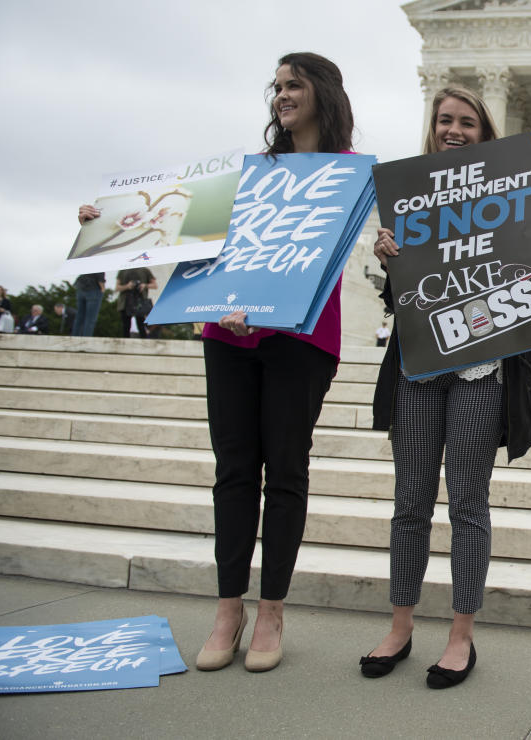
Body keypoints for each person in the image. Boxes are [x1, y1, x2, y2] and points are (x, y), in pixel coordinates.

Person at [364, 86, 531, 688]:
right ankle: (400, 625)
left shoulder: (510, 199)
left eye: (467, 124)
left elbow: (527, 273)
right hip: (420, 368)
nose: (453, 130)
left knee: (468, 504)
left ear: (485, 136)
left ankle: (461, 636)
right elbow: (401, 298)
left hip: (482, 372)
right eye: (444, 121)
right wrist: (390, 259)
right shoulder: (407, 204)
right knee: (410, 499)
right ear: (432, 129)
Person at [192, 52, 355, 673]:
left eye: (295, 84)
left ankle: (272, 609)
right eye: (278, 86)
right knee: (234, 470)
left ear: (322, 93)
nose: (283, 95)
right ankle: (227, 608)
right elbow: (195, 236)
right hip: (228, 332)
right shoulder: (251, 172)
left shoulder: (351, 174)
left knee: (285, 470)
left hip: (302, 336)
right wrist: (109, 226)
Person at [115, 267, 156, 338]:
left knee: (141, 325)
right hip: (125, 302)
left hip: (140, 301)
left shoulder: (144, 270)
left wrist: (144, 285)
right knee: (126, 326)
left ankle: (144, 342)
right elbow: (117, 287)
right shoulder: (123, 270)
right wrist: (127, 286)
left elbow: (155, 285)